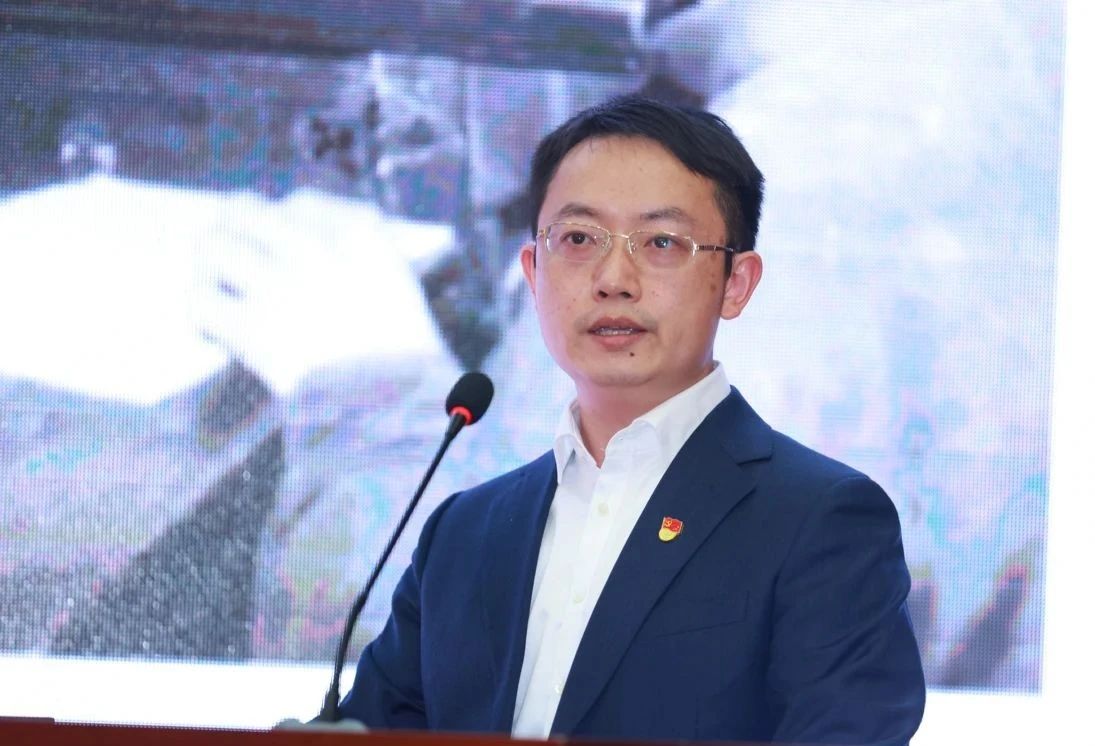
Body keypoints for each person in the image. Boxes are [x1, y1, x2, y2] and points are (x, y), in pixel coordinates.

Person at [340, 96, 926, 743]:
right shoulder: (464, 532)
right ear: (533, 271)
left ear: (735, 283)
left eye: (661, 243)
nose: (613, 278)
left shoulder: (820, 520)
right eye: (578, 239)